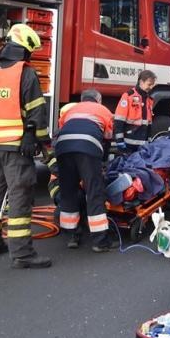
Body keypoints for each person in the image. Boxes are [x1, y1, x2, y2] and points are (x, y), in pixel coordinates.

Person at [0, 23, 52, 269]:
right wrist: (39, 139)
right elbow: (36, 112)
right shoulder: (25, 72)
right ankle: (22, 254)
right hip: (17, 148)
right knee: (20, 196)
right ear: (24, 48)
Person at [54, 89, 117, 252]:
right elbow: (108, 137)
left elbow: (63, 127)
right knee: (94, 191)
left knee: (68, 191)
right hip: (87, 147)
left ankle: (72, 236)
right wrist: (101, 161)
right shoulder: (104, 110)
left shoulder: (71, 110)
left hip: (63, 147)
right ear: (99, 99)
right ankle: (100, 241)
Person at [113, 70, 157, 153]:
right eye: (149, 84)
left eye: (152, 85)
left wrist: (149, 140)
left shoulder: (149, 100)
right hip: (128, 144)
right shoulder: (128, 95)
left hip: (143, 145)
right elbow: (119, 120)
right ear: (141, 82)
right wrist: (119, 140)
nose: (151, 87)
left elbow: (148, 123)